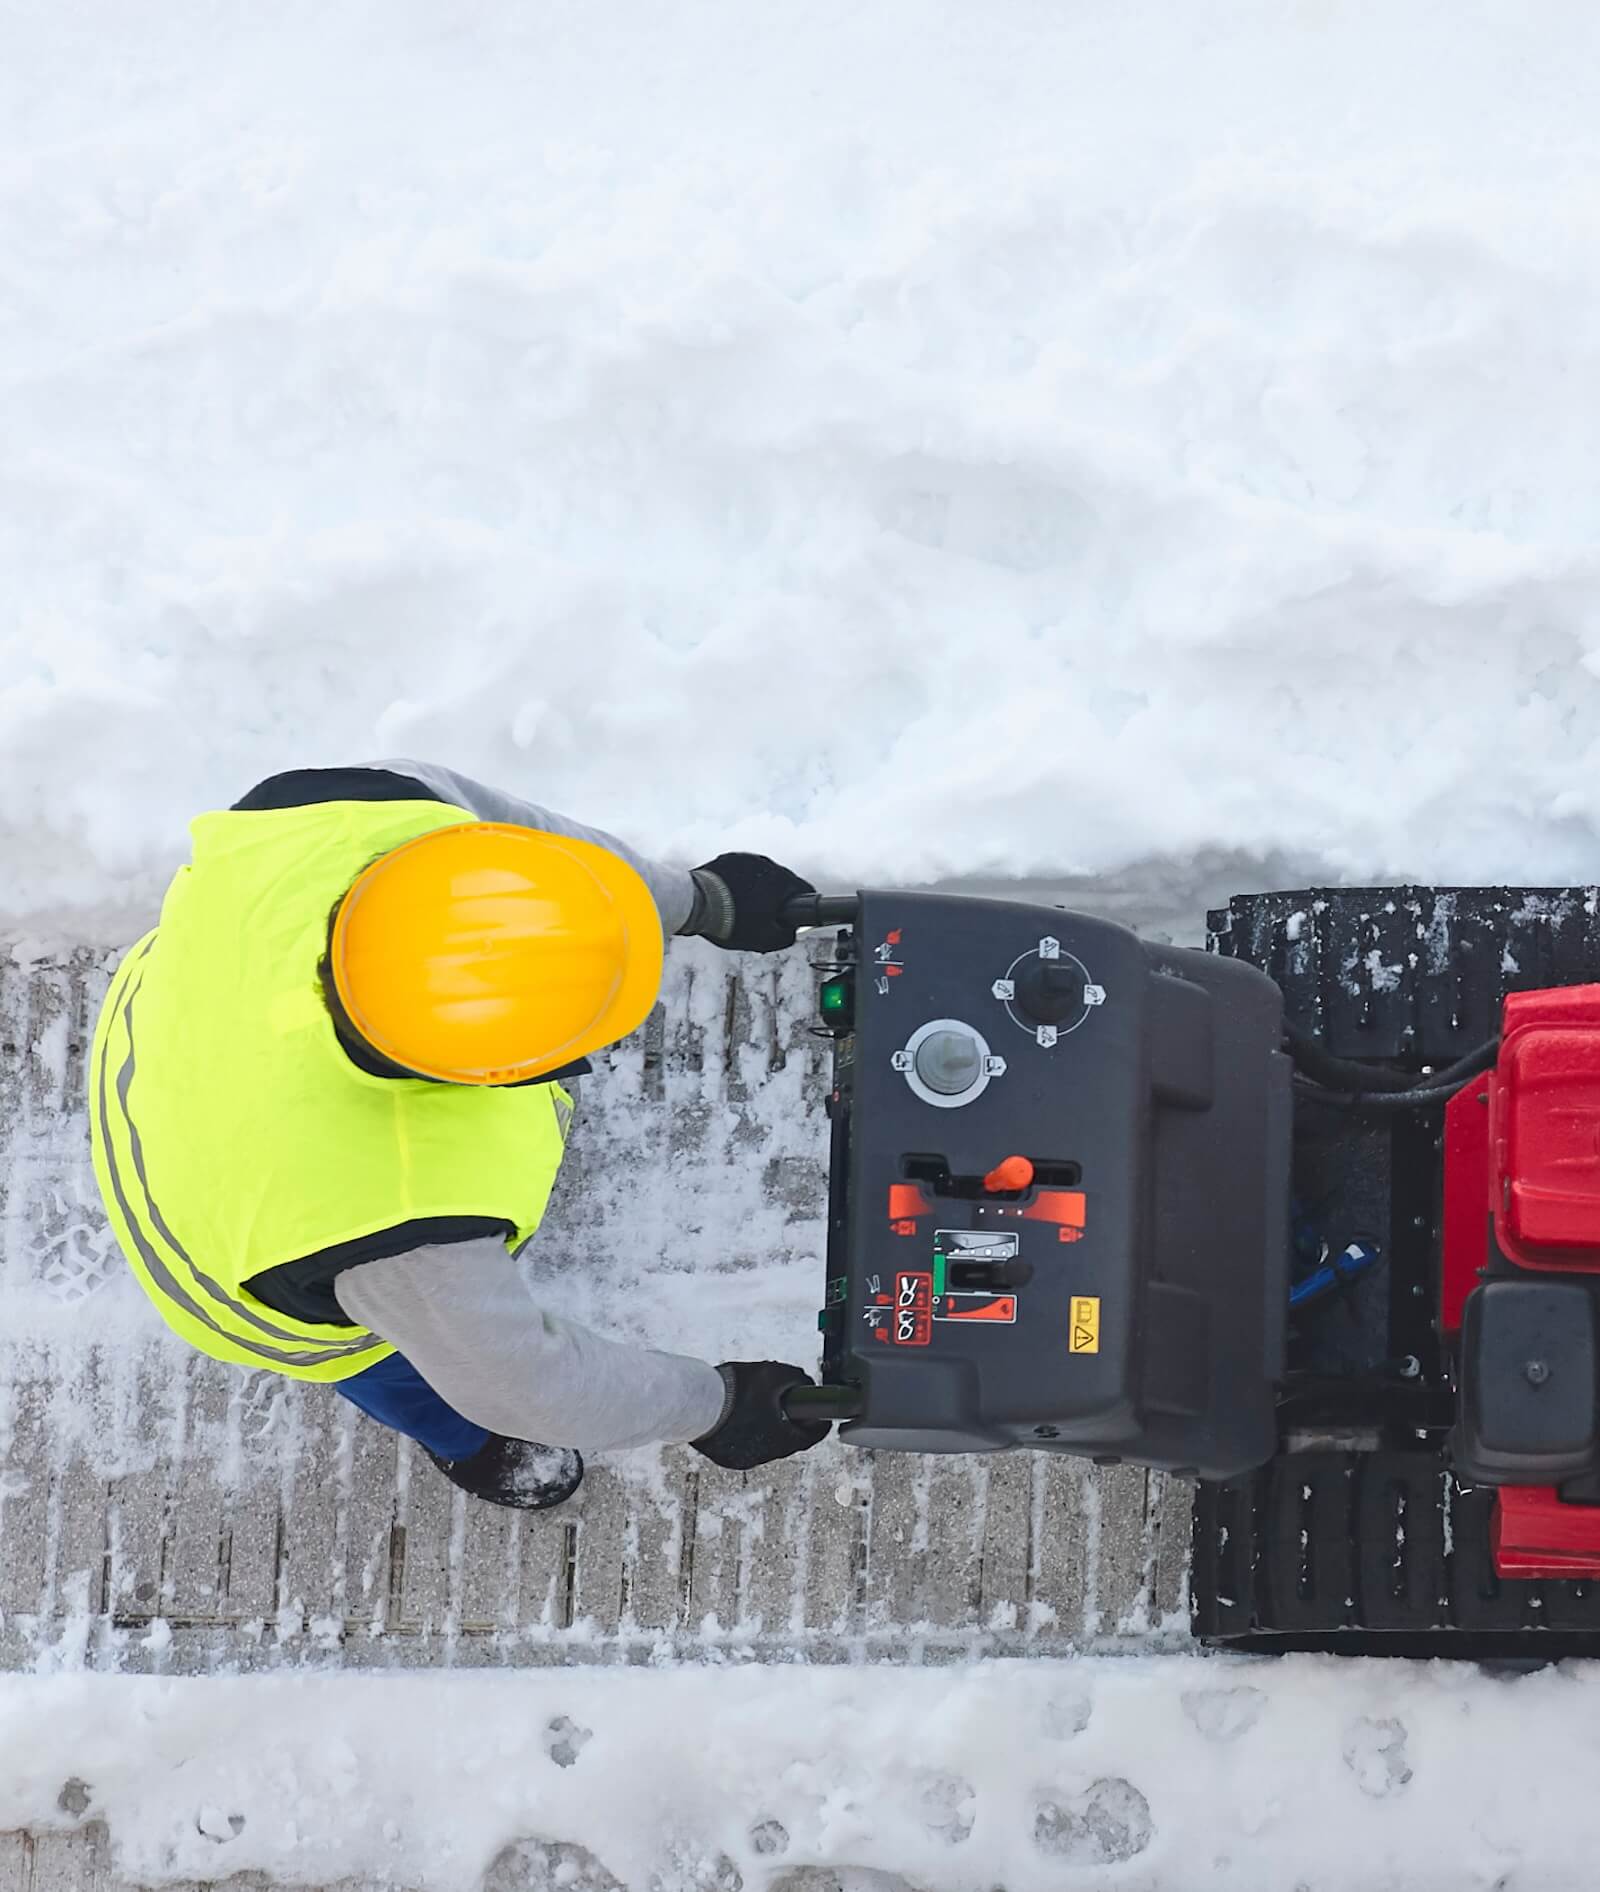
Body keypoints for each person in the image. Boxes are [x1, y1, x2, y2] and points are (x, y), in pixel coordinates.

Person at [88, 760, 832, 1509]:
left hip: (169, 1027)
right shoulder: (389, 1228)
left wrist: (701, 902)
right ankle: (471, 1447)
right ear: (484, 1073)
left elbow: (530, 844)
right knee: (399, 1355)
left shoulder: (341, 810)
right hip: (207, 1248)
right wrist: (716, 1406)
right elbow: (532, 1386)